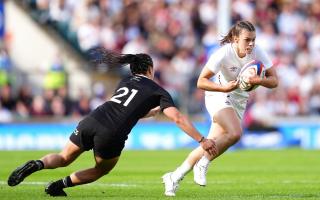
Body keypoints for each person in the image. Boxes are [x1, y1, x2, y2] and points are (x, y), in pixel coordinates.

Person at [7, 49, 217, 197]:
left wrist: (146, 114)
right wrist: (201, 139)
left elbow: (123, 108)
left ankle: (37, 164)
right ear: (150, 70)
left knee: (63, 157)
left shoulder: (124, 81)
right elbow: (177, 118)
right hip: (112, 132)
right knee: (101, 169)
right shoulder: (157, 91)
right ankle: (56, 186)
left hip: (93, 118)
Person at [162, 20, 278, 196]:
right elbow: (201, 81)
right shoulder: (223, 53)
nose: (251, 43)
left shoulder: (257, 51)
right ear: (235, 38)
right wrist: (223, 88)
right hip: (219, 94)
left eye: (253, 39)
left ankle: (174, 176)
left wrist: (259, 80)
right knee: (235, 133)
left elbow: (274, 80)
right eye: (247, 40)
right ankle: (203, 164)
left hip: (239, 100)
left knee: (209, 144)